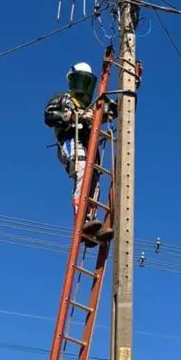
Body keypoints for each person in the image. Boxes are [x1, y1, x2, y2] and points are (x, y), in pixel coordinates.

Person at [44, 62, 117, 244]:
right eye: (80, 80)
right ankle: (81, 219)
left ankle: (90, 222)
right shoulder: (63, 98)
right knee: (83, 169)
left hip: (88, 144)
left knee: (94, 180)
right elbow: (49, 116)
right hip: (70, 141)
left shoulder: (93, 106)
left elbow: (113, 108)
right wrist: (74, 116)